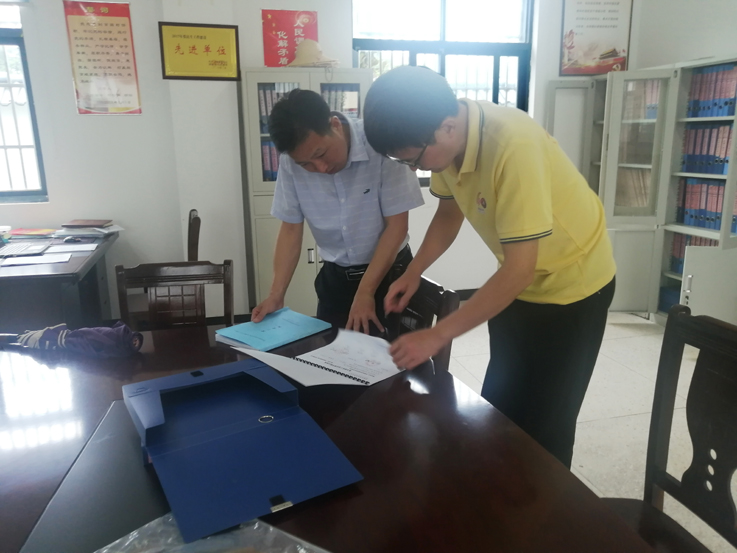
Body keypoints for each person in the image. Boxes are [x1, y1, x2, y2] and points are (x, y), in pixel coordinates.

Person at [363, 66, 616, 468]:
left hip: (574, 286)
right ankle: (503, 491)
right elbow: (449, 215)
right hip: (519, 285)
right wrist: (413, 272)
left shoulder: (513, 145)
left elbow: (519, 270)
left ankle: (546, 501)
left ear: (447, 128)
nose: (414, 169)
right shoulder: (448, 145)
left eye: (413, 159)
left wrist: (437, 335)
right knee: (501, 404)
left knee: (548, 421)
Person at [251, 88, 424, 335]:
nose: (320, 168)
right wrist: (276, 295)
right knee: (331, 353)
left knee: (392, 356)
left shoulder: (379, 144)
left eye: (320, 154)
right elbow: (290, 229)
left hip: (390, 275)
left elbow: (396, 227)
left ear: (334, 125)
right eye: (306, 164)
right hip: (335, 280)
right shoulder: (291, 162)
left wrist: (366, 292)